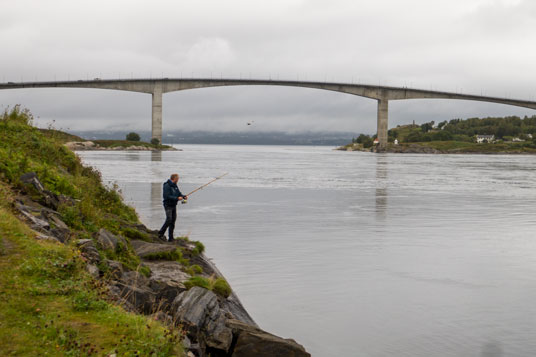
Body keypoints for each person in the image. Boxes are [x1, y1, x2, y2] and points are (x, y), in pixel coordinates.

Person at [158, 173, 187, 242]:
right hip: (168, 205)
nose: (178, 180)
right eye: (178, 179)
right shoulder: (167, 186)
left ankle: (171, 238)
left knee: (173, 221)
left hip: (174, 205)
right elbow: (167, 196)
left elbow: (179, 193)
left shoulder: (175, 185)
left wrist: (183, 196)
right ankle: (160, 234)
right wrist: (177, 198)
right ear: (174, 178)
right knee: (169, 219)